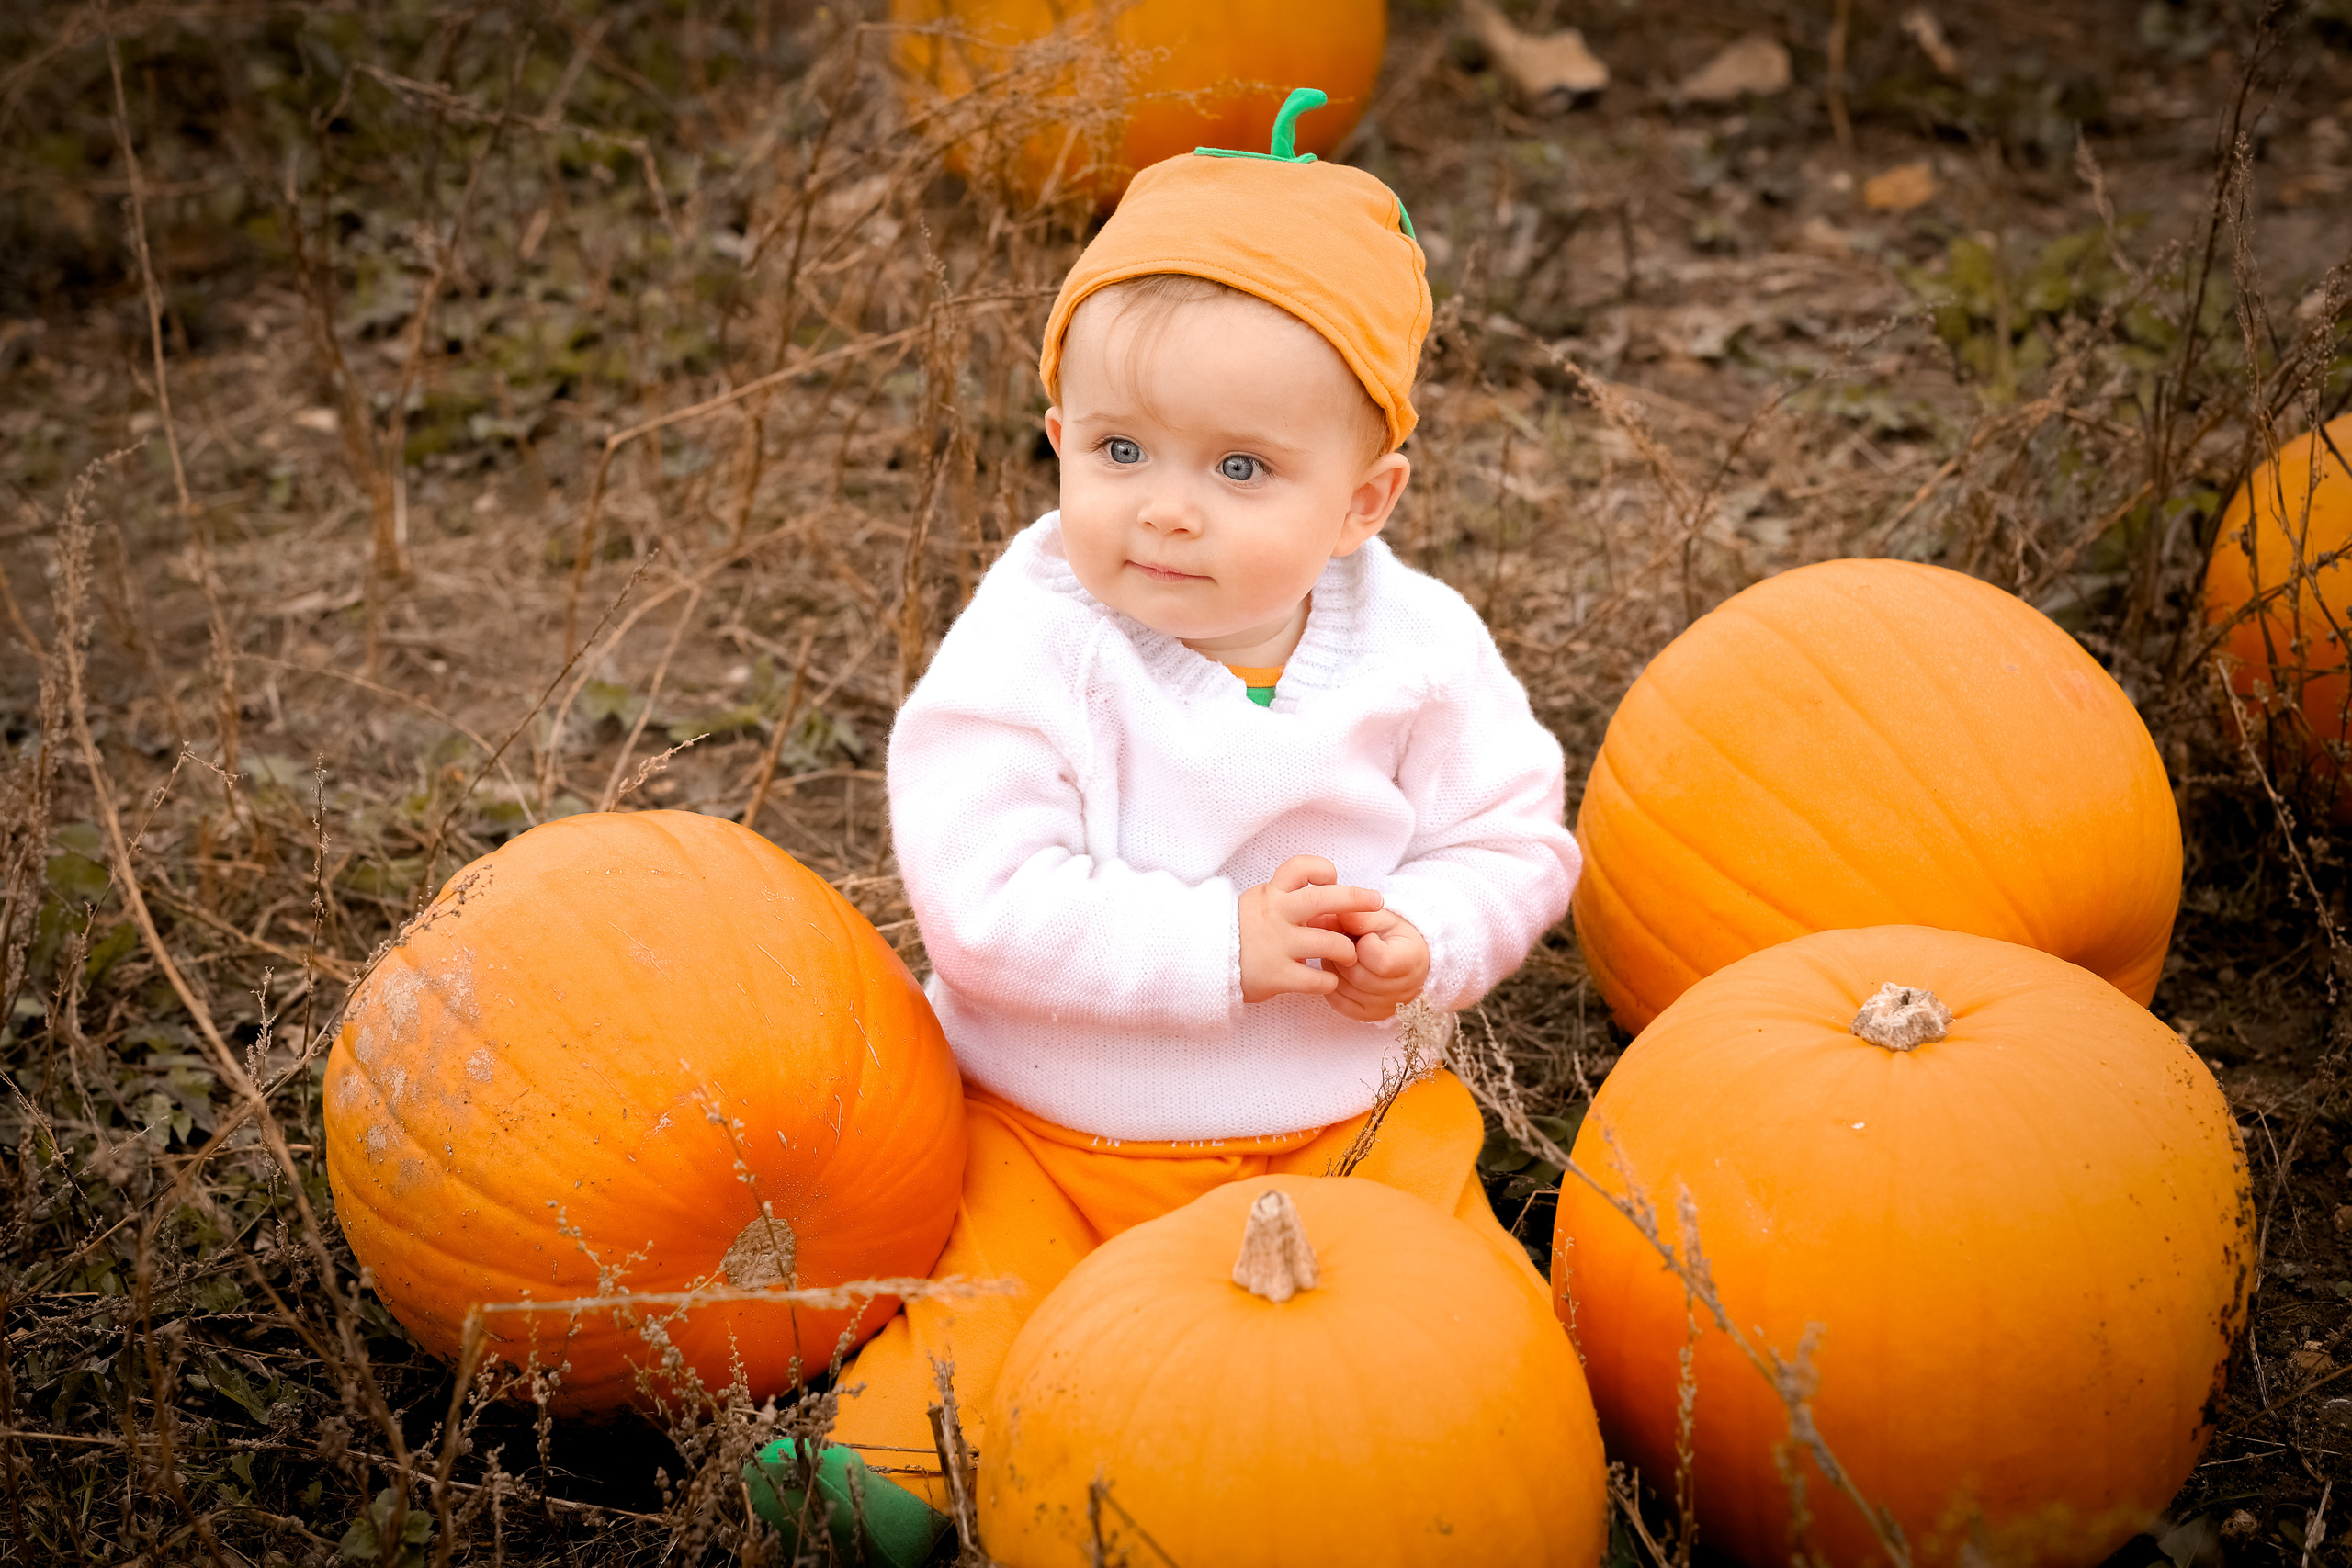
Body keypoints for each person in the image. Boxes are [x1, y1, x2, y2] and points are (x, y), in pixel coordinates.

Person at [747, 88, 1579, 1563]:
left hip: (1345, 1127)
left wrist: (1428, 936)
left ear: (1364, 501)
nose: (1167, 510)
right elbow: (987, 901)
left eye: (1240, 469)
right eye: (1120, 451)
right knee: (982, 1312)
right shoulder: (1031, 646)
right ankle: (879, 1490)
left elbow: (1515, 839)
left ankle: (1522, 1481)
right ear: (1057, 436)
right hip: (1053, 1133)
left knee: (1469, 1313)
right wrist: (1220, 948)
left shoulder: (1424, 650)